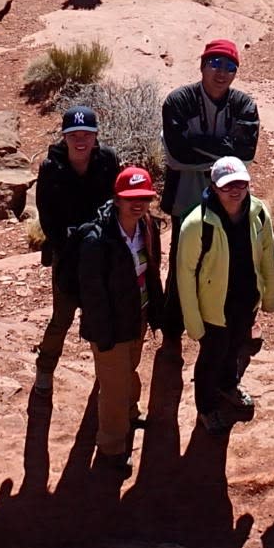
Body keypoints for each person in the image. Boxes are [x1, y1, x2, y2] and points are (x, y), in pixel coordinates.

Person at [160, 39, 260, 335]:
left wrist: (196, 142)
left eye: (230, 67)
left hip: (231, 200)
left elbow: (246, 155)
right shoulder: (179, 101)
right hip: (186, 197)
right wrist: (226, 151)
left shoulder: (243, 105)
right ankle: (172, 330)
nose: (222, 72)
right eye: (215, 63)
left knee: (235, 261)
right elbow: (177, 156)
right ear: (202, 66)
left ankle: (233, 328)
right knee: (183, 264)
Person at [175, 156, 274, 437]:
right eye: (227, 185)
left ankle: (228, 386)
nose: (235, 190)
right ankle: (207, 407)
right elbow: (185, 276)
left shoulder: (258, 213)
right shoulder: (196, 224)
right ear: (214, 187)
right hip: (213, 310)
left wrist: (269, 297)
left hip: (245, 302)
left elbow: (268, 255)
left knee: (234, 349)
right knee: (211, 358)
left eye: (241, 183)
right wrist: (194, 323)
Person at [74, 165, 165, 476]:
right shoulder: (97, 239)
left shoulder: (147, 227)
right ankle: (111, 448)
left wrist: (156, 313)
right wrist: (104, 335)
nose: (137, 204)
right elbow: (92, 294)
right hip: (110, 326)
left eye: (144, 197)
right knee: (113, 387)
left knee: (129, 370)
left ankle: (130, 413)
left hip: (137, 315)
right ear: (117, 199)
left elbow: (152, 272)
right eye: (130, 198)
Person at [30, 105, 119, 395]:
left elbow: (116, 203)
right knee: (62, 316)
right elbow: (47, 216)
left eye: (86, 134)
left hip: (101, 252)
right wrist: (69, 244)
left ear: (96, 136)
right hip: (67, 253)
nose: (80, 141)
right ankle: (45, 368)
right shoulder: (51, 168)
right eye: (73, 135)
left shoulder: (107, 161)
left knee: (101, 313)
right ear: (64, 137)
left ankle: (107, 375)